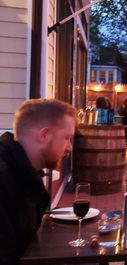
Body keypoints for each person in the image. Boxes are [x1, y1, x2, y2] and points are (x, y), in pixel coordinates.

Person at [0, 99, 77, 264]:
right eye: (67, 138)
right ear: (44, 135)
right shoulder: (4, 179)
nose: (69, 147)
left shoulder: (25, 173)